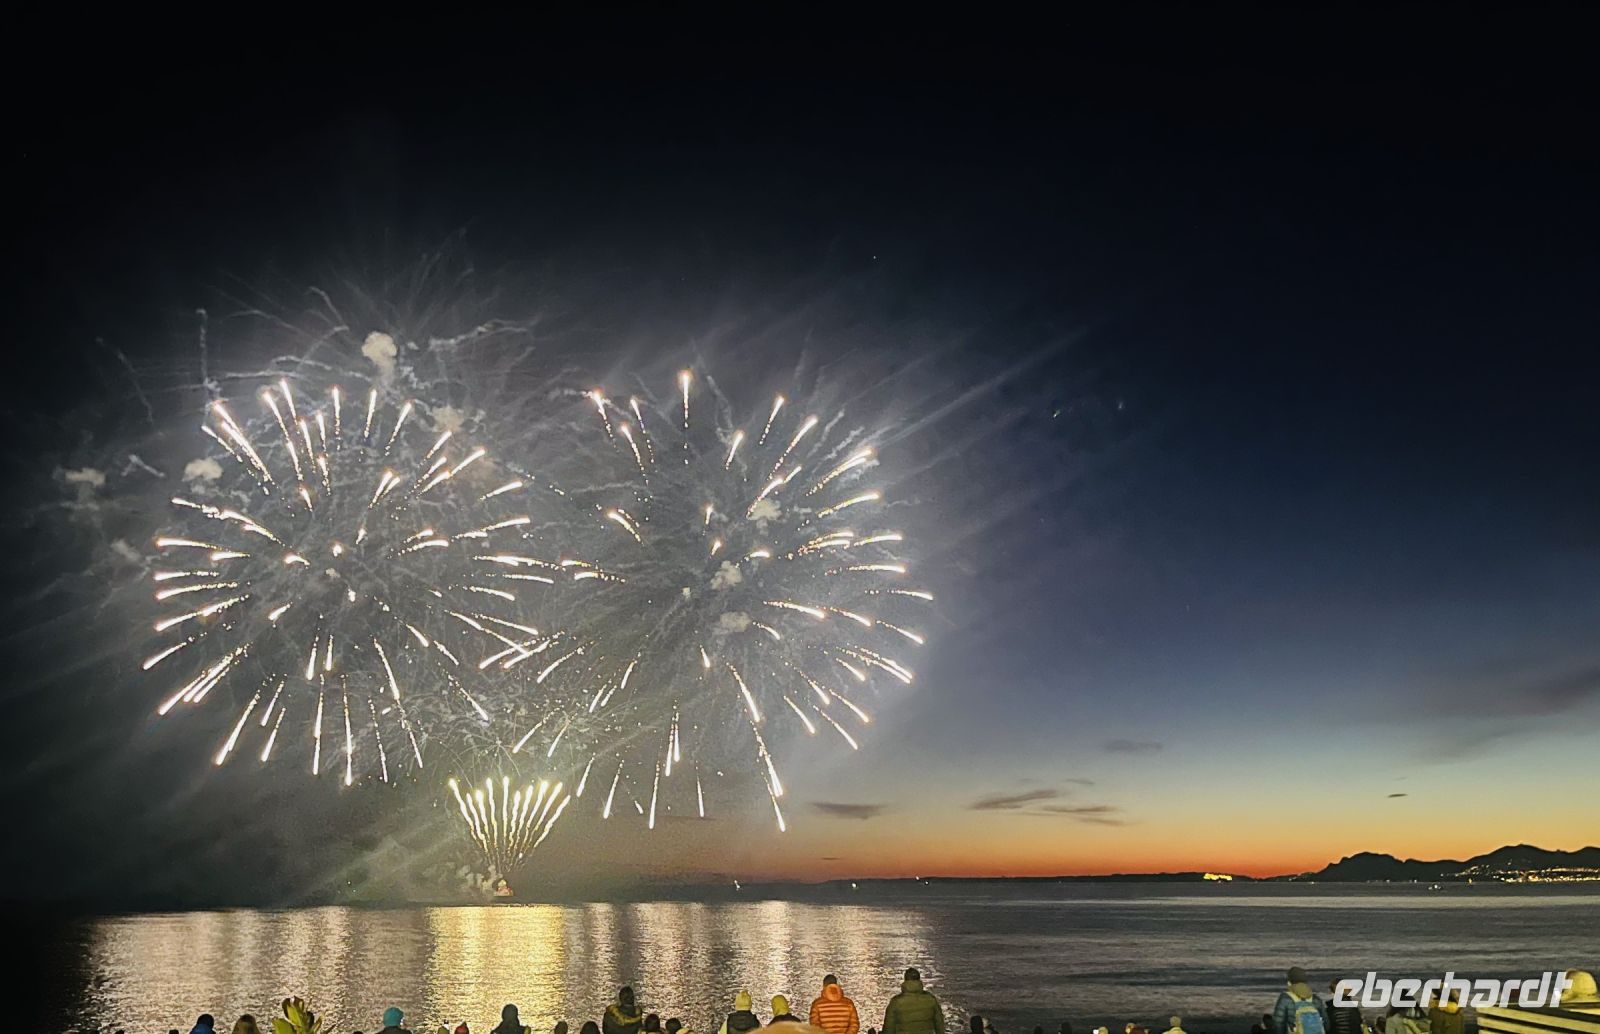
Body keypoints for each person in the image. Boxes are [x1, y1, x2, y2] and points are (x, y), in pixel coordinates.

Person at [882, 968, 945, 1034]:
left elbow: (889, 1028)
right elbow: (939, 1025)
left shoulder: (896, 1002)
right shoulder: (931, 999)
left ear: (905, 980)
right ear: (919, 979)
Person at [1274, 969, 1327, 1034]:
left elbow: (1278, 1024)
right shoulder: (1316, 999)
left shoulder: (1285, 998)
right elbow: (1326, 1024)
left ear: (1289, 982)